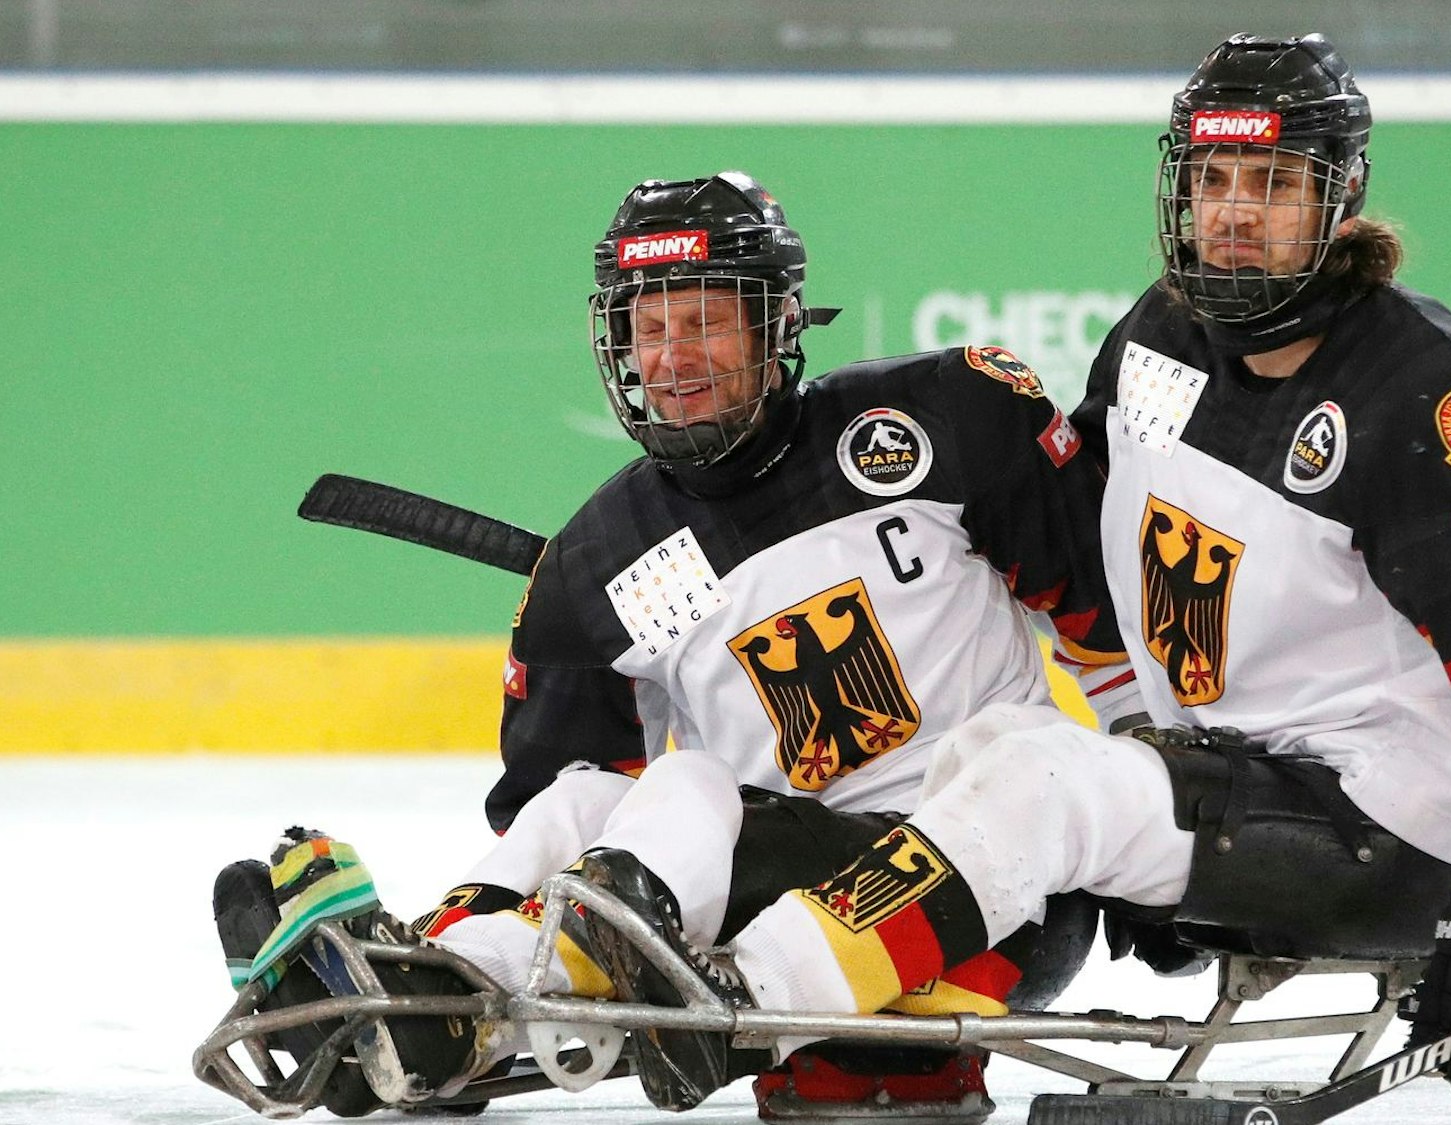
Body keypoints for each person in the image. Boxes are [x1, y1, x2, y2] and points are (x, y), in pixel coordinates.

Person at [414, 32, 1451, 1105]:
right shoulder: (1156, 339)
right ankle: (467, 976)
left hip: (1387, 822)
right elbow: (1116, 608)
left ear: (1339, 199)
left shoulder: (1422, 394)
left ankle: (744, 1001)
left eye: (1271, 184)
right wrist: (1146, 790)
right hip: (1245, 785)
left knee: (1038, 782)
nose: (1234, 213)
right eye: (1211, 180)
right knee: (1011, 761)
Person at [209, 171, 1139, 1120]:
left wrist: (1151, 809)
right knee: (588, 798)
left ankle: (445, 1011)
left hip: (993, 895)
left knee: (686, 787)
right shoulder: (600, 561)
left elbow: (1108, 622)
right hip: (787, 892)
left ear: (779, 325)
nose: (673, 357)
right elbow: (558, 800)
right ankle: (425, 991)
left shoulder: (938, 418)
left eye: (705, 321)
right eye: (649, 329)